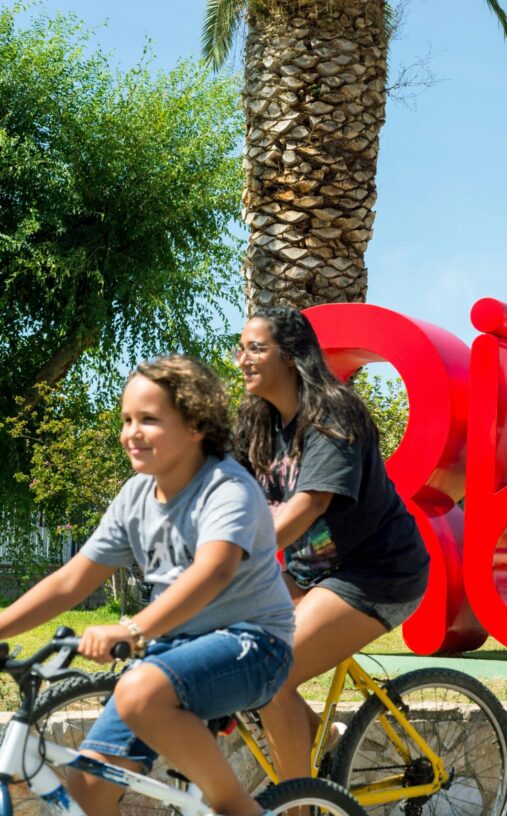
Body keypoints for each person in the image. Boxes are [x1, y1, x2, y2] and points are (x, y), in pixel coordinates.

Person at [0, 356, 295, 816]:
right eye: (126, 420)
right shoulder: (136, 495)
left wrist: (133, 629)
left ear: (196, 424)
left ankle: (238, 809)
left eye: (149, 420)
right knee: (87, 786)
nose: (131, 433)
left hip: (254, 643)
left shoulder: (225, 487)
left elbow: (213, 571)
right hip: (172, 652)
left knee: (139, 690)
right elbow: (72, 579)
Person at [233, 306, 431, 783]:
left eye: (255, 349)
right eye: (240, 349)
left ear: (290, 356)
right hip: (310, 575)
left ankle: (298, 808)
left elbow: (309, 504)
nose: (242, 359)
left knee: (271, 672)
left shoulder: (332, 414)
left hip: (375, 574)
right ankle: (321, 737)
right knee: (226, 651)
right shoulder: (257, 424)